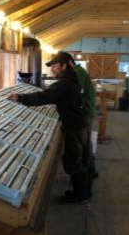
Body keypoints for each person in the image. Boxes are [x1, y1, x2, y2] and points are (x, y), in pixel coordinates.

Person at [8, 54, 91, 203]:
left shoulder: (64, 83)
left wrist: (20, 98)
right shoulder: (73, 80)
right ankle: (82, 191)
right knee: (79, 159)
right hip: (80, 124)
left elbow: (43, 97)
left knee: (73, 161)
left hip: (75, 127)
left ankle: (81, 195)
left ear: (64, 65)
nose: (52, 69)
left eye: (55, 65)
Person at [56, 52, 99, 181]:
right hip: (83, 111)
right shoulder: (78, 71)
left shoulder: (77, 72)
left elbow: (71, 91)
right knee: (84, 143)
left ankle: (88, 171)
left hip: (84, 111)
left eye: (60, 66)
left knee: (82, 145)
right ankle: (89, 171)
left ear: (68, 64)